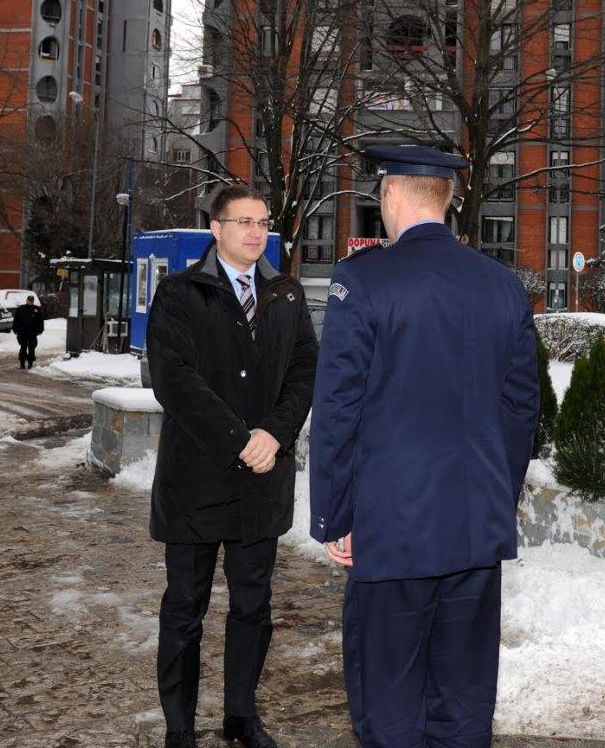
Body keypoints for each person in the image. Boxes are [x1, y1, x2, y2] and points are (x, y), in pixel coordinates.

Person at [309, 145, 540, 748]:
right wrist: (497, 494)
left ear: (389, 193)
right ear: (447, 200)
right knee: (463, 701)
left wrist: (335, 514)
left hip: (393, 531)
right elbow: (521, 409)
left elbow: (339, 406)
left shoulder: (362, 278)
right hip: (473, 528)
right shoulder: (502, 284)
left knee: (388, 702)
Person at [147, 184, 318, 748]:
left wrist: (273, 433)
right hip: (196, 480)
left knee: (253, 607)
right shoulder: (180, 292)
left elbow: (303, 373)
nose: (255, 231)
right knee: (184, 609)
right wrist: (237, 439)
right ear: (215, 227)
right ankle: (180, 726)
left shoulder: (286, 295)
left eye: (263, 221)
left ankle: (241, 716)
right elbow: (175, 379)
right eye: (243, 220)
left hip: (262, 482)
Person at [11, 295, 44, 369]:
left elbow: (40, 321)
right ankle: (22, 363)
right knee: (23, 348)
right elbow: (16, 320)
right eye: (29, 300)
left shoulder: (36, 309)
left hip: (32, 332)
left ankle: (30, 363)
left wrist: (40, 330)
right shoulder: (21, 309)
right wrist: (15, 329)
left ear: (33, 301)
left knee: (32, 348)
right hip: (22, 332)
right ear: (26, 300)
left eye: (32, 301)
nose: (30, 302)